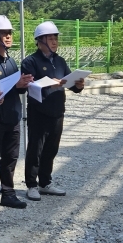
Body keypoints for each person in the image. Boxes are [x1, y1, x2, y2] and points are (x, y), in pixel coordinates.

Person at [21, 21, 85, 201]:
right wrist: (51, 81)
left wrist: (78, 85)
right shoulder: (30, 62)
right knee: (36, 149)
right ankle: (31, 184)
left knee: (51, 149)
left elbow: (70, 83)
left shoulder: (60, 61)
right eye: (50, 38)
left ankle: (45, 182)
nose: (55, 41)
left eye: (56, 37)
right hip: (39, 112)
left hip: (57, 111)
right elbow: (30, 85)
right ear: (40, 40)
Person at [0, 15, 33, 210]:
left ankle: (8, 192)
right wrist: (15, 84)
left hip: (13, 115)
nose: (9, 36)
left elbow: (17, 89)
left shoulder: (10, 61)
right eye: (4, 33)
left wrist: (25, 84)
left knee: (11, 156)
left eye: (10, 33)